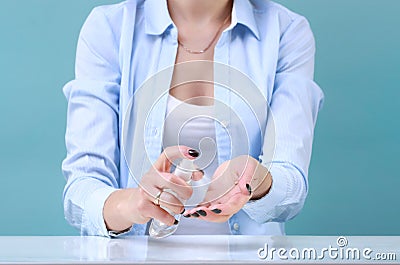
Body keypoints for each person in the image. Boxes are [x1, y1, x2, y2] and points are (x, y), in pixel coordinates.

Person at [62, 0, 324, 237]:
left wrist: (254, 179)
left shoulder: (286, 31)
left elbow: (291, 188)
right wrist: (133, 204)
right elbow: (81, 191)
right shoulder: (109, 28)